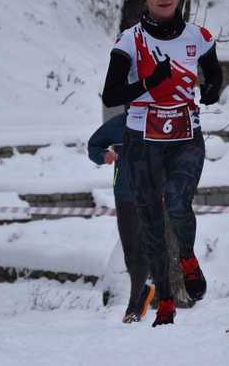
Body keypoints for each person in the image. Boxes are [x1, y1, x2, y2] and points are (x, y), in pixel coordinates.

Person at [101, 0, 223, 327]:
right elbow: (112, 94)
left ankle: (186, 256)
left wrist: (213, 89)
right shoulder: (131, 40)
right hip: (142, 140)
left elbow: (214, 73)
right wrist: (149, 83)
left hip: (185, 137)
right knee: (151, 221)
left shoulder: (198, 36)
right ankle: (166, 301)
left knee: (178, 199)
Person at [87, 112, 155, 323]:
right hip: (124, 194)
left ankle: (133, 307)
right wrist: (103, 155)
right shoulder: (118, 125)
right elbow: (93, 146)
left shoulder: (159, 119)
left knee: (143, 248)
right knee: (130, 251)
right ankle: (143, 289)